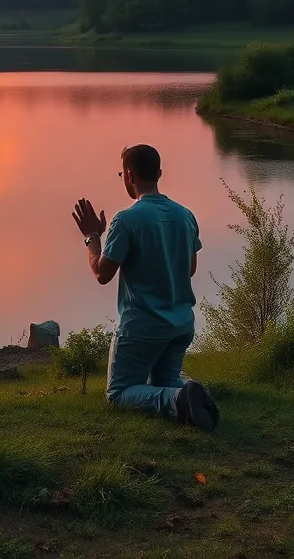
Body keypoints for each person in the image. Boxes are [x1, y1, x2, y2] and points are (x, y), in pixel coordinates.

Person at [71, 143, 219, 429]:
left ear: (128, 176)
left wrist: (92, 237)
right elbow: (190, 269)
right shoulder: (185, 215)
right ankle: (186, 395)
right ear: (159, 173)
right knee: (166, 381)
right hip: (181, 324)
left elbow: (102, 273)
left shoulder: (125, 220)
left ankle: (180, 401)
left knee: (119, 393)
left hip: (142, 327)